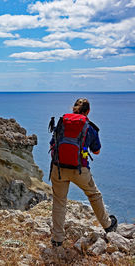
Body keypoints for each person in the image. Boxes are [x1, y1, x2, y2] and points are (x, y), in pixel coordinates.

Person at [49, 98, 117, 247]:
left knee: (59, 202)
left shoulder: (62, 122)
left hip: (58, 168)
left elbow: (52, 144)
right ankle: (107, 225)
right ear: (88, 111)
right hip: (80, 169)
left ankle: (57, 239)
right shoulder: (89, 127)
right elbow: (97, 151)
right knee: (94, 195)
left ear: (73, 109)